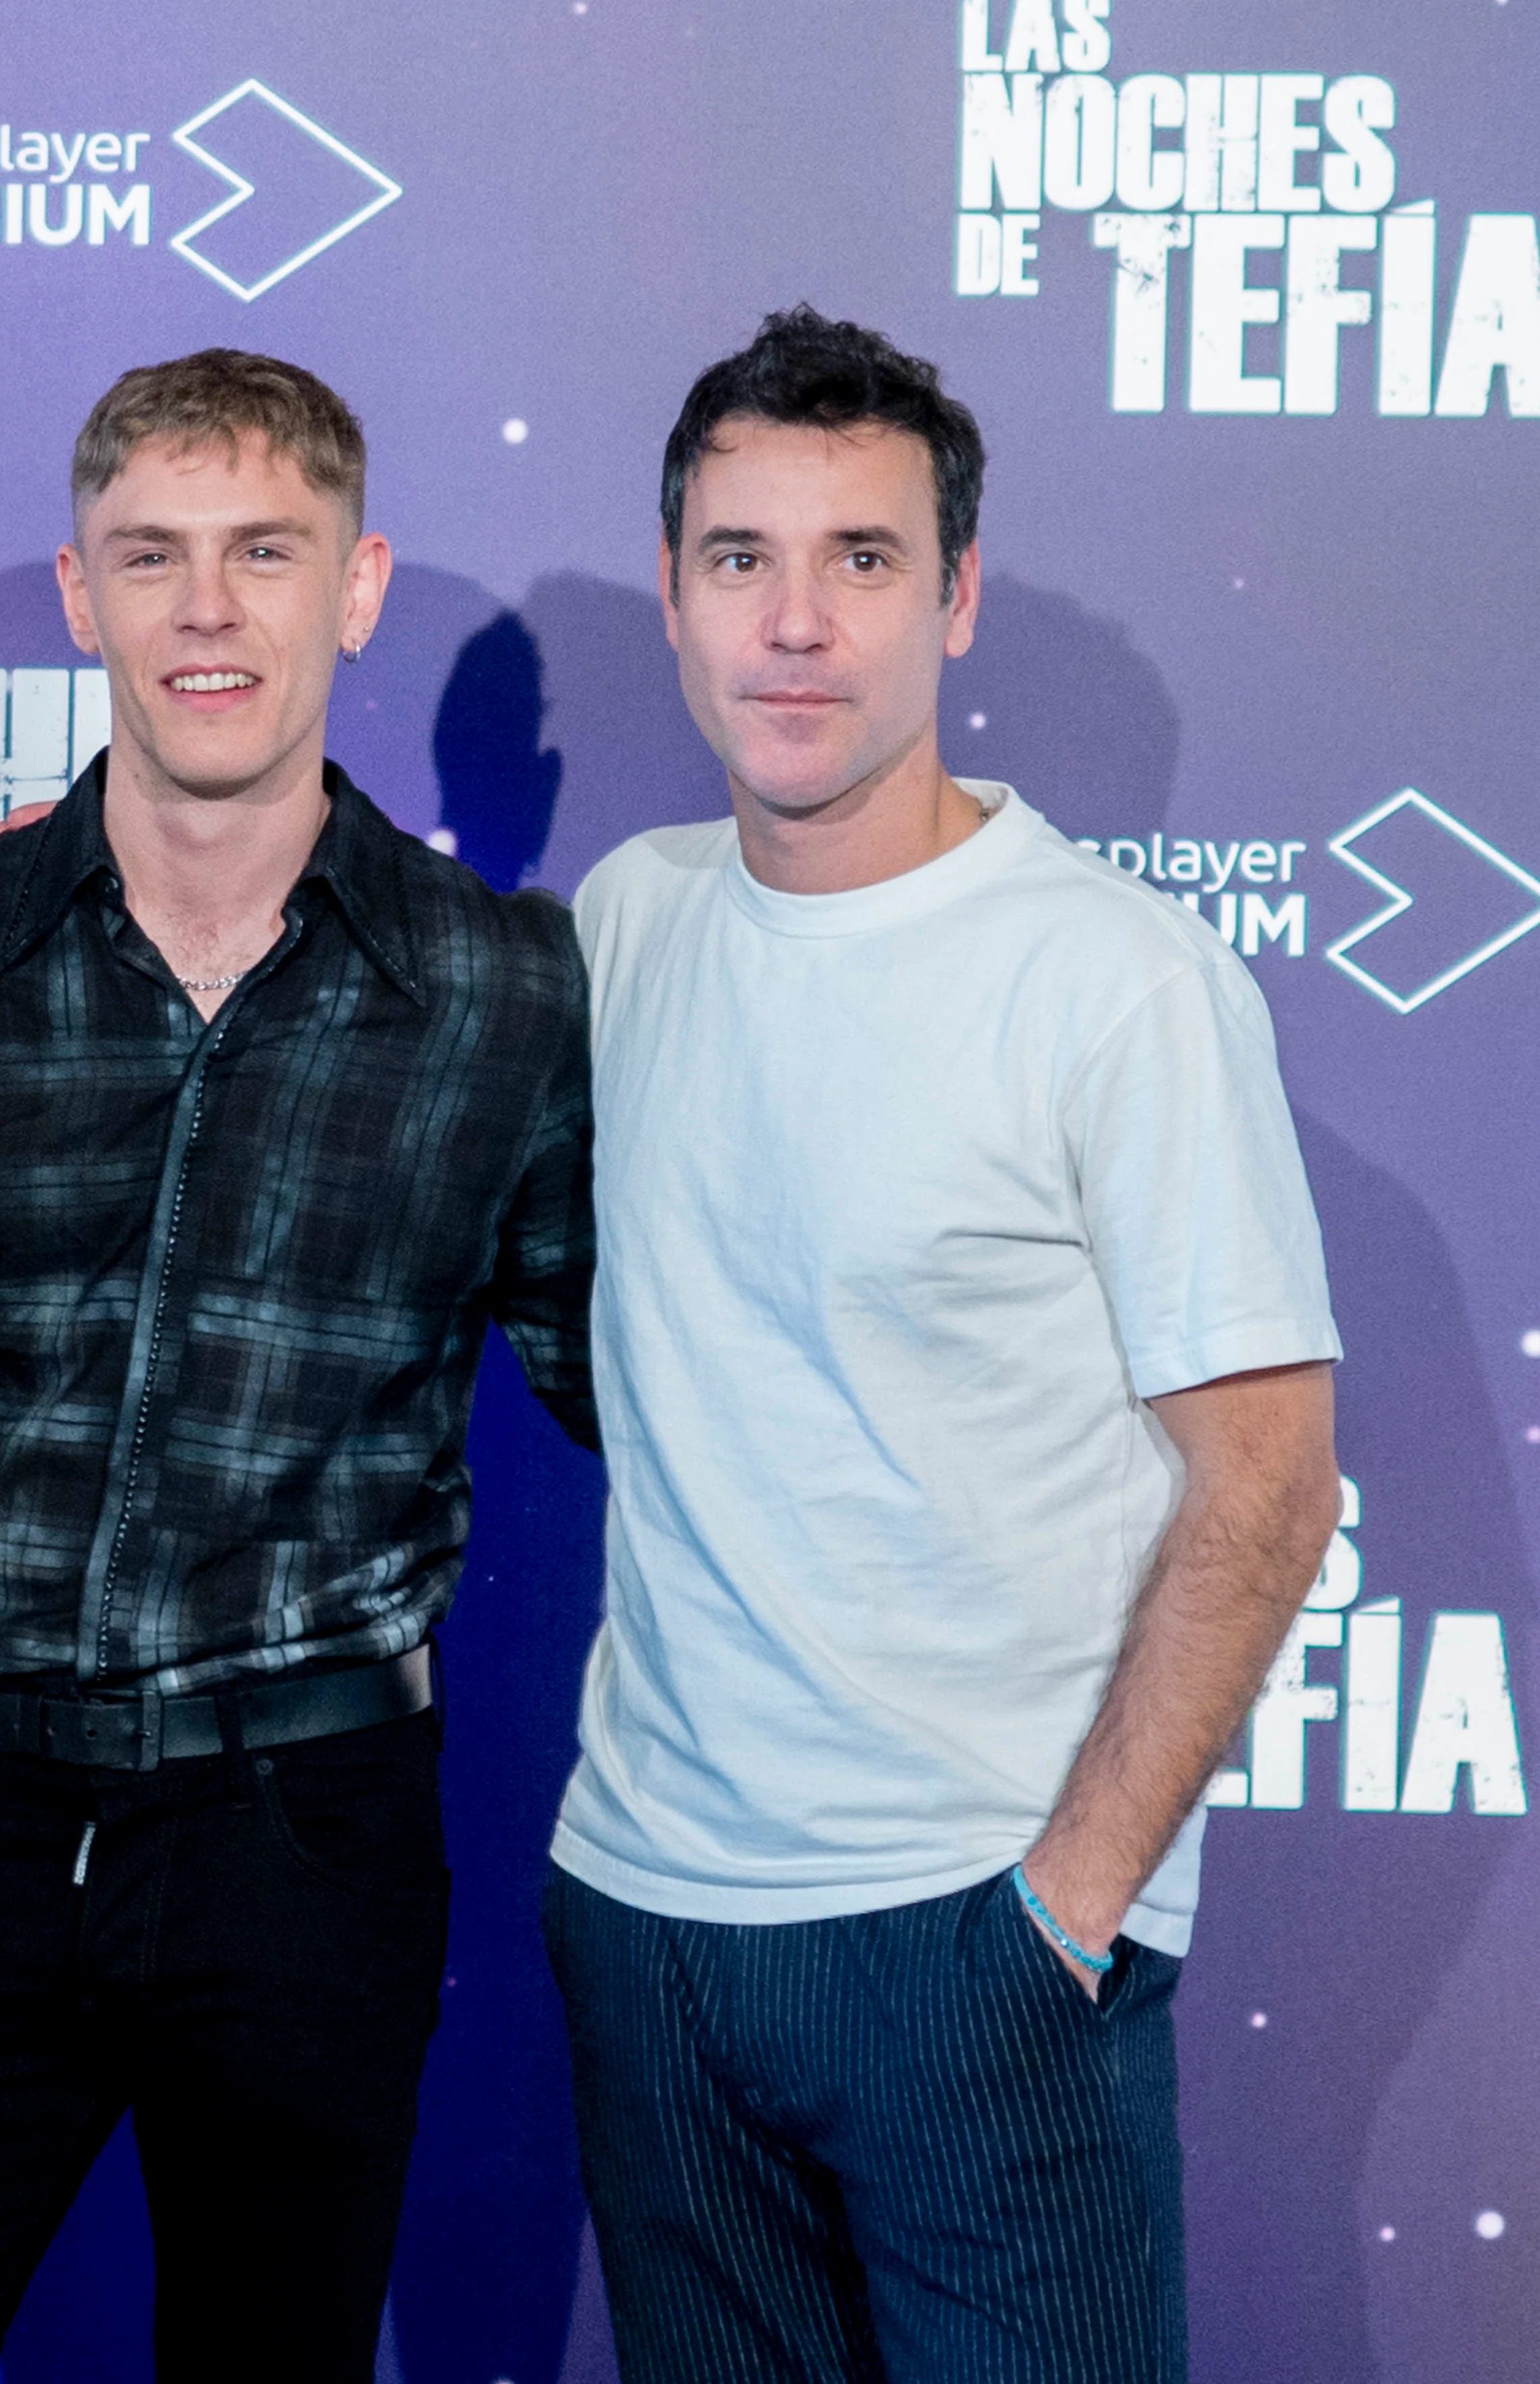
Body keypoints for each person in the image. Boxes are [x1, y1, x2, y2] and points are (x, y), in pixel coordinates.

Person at [0, 349, 601, 2384]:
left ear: (355, 585)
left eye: (261, 554)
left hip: (305, 1829)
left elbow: (622, 1372)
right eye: (153, 557)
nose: (205, 609)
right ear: (80, 593)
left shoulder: (496, 987)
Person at [545, 307, 1340, 2384]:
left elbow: (1267, 1478)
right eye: (740, 560)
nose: (794, 626)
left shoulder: (1112, 982)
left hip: (975, 1935)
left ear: (956, 597)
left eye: (862, 561)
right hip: (649, 1926)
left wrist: (1063, 1911)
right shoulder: (619, 923)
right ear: (671, 593)